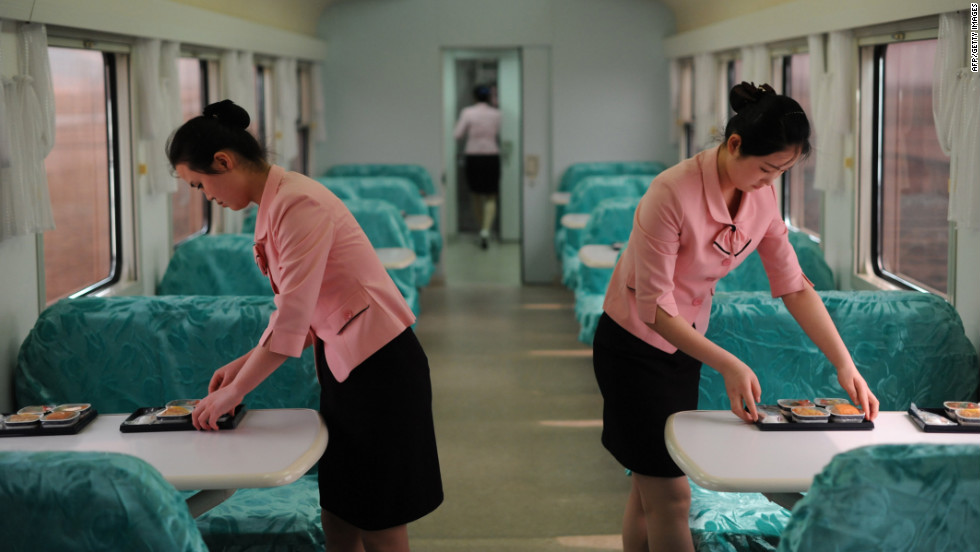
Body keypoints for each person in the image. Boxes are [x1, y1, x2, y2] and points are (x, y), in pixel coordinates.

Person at [592, 82, 880, 552]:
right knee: (671, 496)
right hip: (634, 347)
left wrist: (844, 363)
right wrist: (730, 363)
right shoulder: (670, 192)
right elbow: (654, 307)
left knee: (648, 489)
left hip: (686, 345)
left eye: (783, 172)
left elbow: (794, 287)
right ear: (734, 144)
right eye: (766, 168)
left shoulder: (762, 200)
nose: (771, 181)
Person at [167, 99, 443, 552]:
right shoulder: (277, 202)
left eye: (200, 184)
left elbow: (293, 314)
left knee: (379, 517)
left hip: (381, 370)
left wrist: (235, 392)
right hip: (347, 366)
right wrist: (242, 365)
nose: (206, 197)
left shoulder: (297, 203)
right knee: (338, 507)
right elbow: (306, 310)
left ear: (223, 161)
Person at [453, 84, 501, 249]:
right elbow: (499, 132)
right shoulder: (496, 114)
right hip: (491, 156)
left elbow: (457, 134)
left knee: (475, 194)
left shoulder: (468, 112)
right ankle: (486, 231)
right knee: (491, 195)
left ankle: (481, 228)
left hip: (473, 156)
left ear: (474, 97)